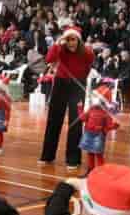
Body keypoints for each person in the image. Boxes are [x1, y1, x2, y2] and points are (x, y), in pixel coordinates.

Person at [40, 25, 95, 169]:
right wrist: (58, 44)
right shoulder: (60, 49)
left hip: (77, 86)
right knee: (54, 120)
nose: (71, 43)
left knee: (75, 123)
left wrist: (80, 79)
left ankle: (73, 159)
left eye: (74, 40)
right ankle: (47, 155)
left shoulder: (87, 52)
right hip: (60, 85)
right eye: (68, 39)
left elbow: (89, 66)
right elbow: (49, 59)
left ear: (78, 40)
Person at [78, 85, 119, 172]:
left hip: (98, 135)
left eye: (95, 97)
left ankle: (101, 172)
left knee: (98, 154)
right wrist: (80, 108)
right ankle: (90, 170)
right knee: (90, 152)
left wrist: (115, 125)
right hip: (89, 133)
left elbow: (108, 126)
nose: (93, 99)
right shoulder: (91, 109)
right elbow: (83, 118)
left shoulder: (105, 113)